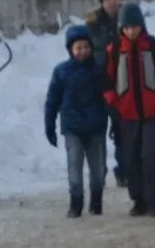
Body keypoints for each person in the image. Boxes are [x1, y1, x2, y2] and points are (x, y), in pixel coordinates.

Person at [103, 3, 155, 217]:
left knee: (150, 155)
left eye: (135, 26)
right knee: (130, 157)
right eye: (127, 27)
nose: (132, 31)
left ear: (142, 26)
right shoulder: (113, 49)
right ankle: (138, 199)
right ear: (122, 28)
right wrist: (114, 100)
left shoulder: (154, 46)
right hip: (127, 113)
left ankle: (154, 201)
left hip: (152, 111)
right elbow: (106, 79)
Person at [44, 24, 108, 218]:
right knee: (74, 167)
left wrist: (113, 120)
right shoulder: (61, 72)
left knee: (98, 170)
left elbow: (108, 97)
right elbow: (52, 100)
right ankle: (76, 203)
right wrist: (50, 126)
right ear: (71, 49)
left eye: (85, 47)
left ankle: (96, 201)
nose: (82, 51)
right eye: (78, 47)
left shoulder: (99, 70)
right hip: (72, 127)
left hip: (96, 127)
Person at [85, 0, 124, 186]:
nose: (112, 2)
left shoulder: (126, 21)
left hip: (121, 82)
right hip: (97, 84)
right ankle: (99, 170)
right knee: (98, 130)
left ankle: (123, 169)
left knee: (122, 129)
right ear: (102, 2)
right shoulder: (92, 25)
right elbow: (83, 51)